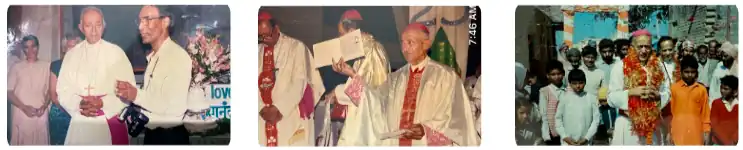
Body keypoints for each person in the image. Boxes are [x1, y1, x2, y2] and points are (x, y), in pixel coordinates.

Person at [330, 23, 479, 146]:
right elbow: (374, 103)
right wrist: (351, 74)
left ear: (425, 45)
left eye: (410, 43)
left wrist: (426, 130)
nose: (404, 49)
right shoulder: (395, 78)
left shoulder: (446, 77)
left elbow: (459, 123)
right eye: (402, 42)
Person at [57, 7, 135, 145]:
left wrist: (103, 103)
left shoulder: (116, 53)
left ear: (104, 26)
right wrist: (79, 104)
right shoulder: (71, 55)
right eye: (88, 25)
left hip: (109, 119)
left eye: (98, 25)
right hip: (81, 119)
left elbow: (129, 90)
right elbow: (63, 90)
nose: (93, 31)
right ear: (81, 27)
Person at [251, 11, 325, 146]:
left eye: (267, 35)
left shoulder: (296, 47)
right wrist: (261, 108)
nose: (265, 40)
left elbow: (300, 82)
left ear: (276, 29)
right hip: (262, 117)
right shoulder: (255, 52)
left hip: (289, 115)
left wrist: (279, 109)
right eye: (261, 37)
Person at [319, 9, 391, 146]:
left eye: (341, 34)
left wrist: (338, 91)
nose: (339, 39)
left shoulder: (373, 50)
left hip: (370, 125)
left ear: (352, 31)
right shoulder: (362, 50)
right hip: (360, 118)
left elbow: (370, 95)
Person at [607, 29, 671, 145]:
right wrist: (631, 92)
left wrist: (659, 96)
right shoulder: (620, 66)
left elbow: (667, 91)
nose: (643, 51)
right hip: (627, 125)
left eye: (647, 47)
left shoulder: (659, 66)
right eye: (640, 47)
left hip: (652, 125)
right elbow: (611, 97)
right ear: (632, 47)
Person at [8, 35, 52, 145]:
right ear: (23, 50)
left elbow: (50, 90)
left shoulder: (47, 66)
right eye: (27, 47)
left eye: (33, 46)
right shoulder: (16, 67)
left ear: (38, 47)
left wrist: (44, 106)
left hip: (40, 113)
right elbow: (8, 92)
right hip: (21, 112)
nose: (31, 50)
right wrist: (24, 107)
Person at [668, 56, 710, 145]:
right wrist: (669, 131)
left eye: (693, 72)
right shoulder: (674, 88)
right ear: (681, 71)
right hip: (678, 132)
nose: (690, 75)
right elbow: (670, 113)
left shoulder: (701, 89)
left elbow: (705, 113)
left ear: (696, 72)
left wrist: (706, 131)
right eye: (686, 72)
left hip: (696, 133)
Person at [48, 33, 80, 145]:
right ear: (64, 49)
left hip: (78, 113)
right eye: (69, 47)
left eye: (75, 47)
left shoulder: (84, 66)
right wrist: (68, 109)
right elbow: (52, 94)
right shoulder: (56, 65)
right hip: (59, 112)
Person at [555, 69, 601, 146]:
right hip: (567, 142)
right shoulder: (564, 98)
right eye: (574, 83)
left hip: (586, 142)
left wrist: (587, 137)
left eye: (580, 83)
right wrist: (564, 136)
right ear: (569, 83)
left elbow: (596, 120)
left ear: (585, 82)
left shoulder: (591, 98)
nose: (578, 86)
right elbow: (558, 119)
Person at [539, 60, 566, 145]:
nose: (557, 77)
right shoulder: (544, 91)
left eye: (559, 74)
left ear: (563, 73)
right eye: (553, 74)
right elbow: (544, 114)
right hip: (553, 133)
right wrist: (546, 135)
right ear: (547, 75)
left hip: (567, 131)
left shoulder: (569, 90)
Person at [709, 75, 738, 145]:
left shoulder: (738, 105)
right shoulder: (716, 103)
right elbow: (714, 126)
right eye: (721, 88)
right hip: (718, 143)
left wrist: (734, 141)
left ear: (734, 91)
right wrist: (727, 143)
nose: (722, 91)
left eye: (726, 89)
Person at [708, 41, 737, 106]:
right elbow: (712, 90)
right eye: (722, 56)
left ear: (732, 56)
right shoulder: (718, 69)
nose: (723, 58)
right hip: (720, 104)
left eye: (725, 56)